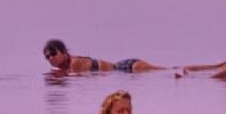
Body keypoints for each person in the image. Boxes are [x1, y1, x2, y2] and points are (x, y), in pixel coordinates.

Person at [42, 39, 170, 74]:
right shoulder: (64, 68)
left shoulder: (74, 63)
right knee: (167, 70)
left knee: (166, 70)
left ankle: (185, 72)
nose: (51, 58)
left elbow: (73, 79)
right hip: (123, 70)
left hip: (128, 67)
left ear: (64, 52)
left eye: (54, 54)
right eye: (47, 57)